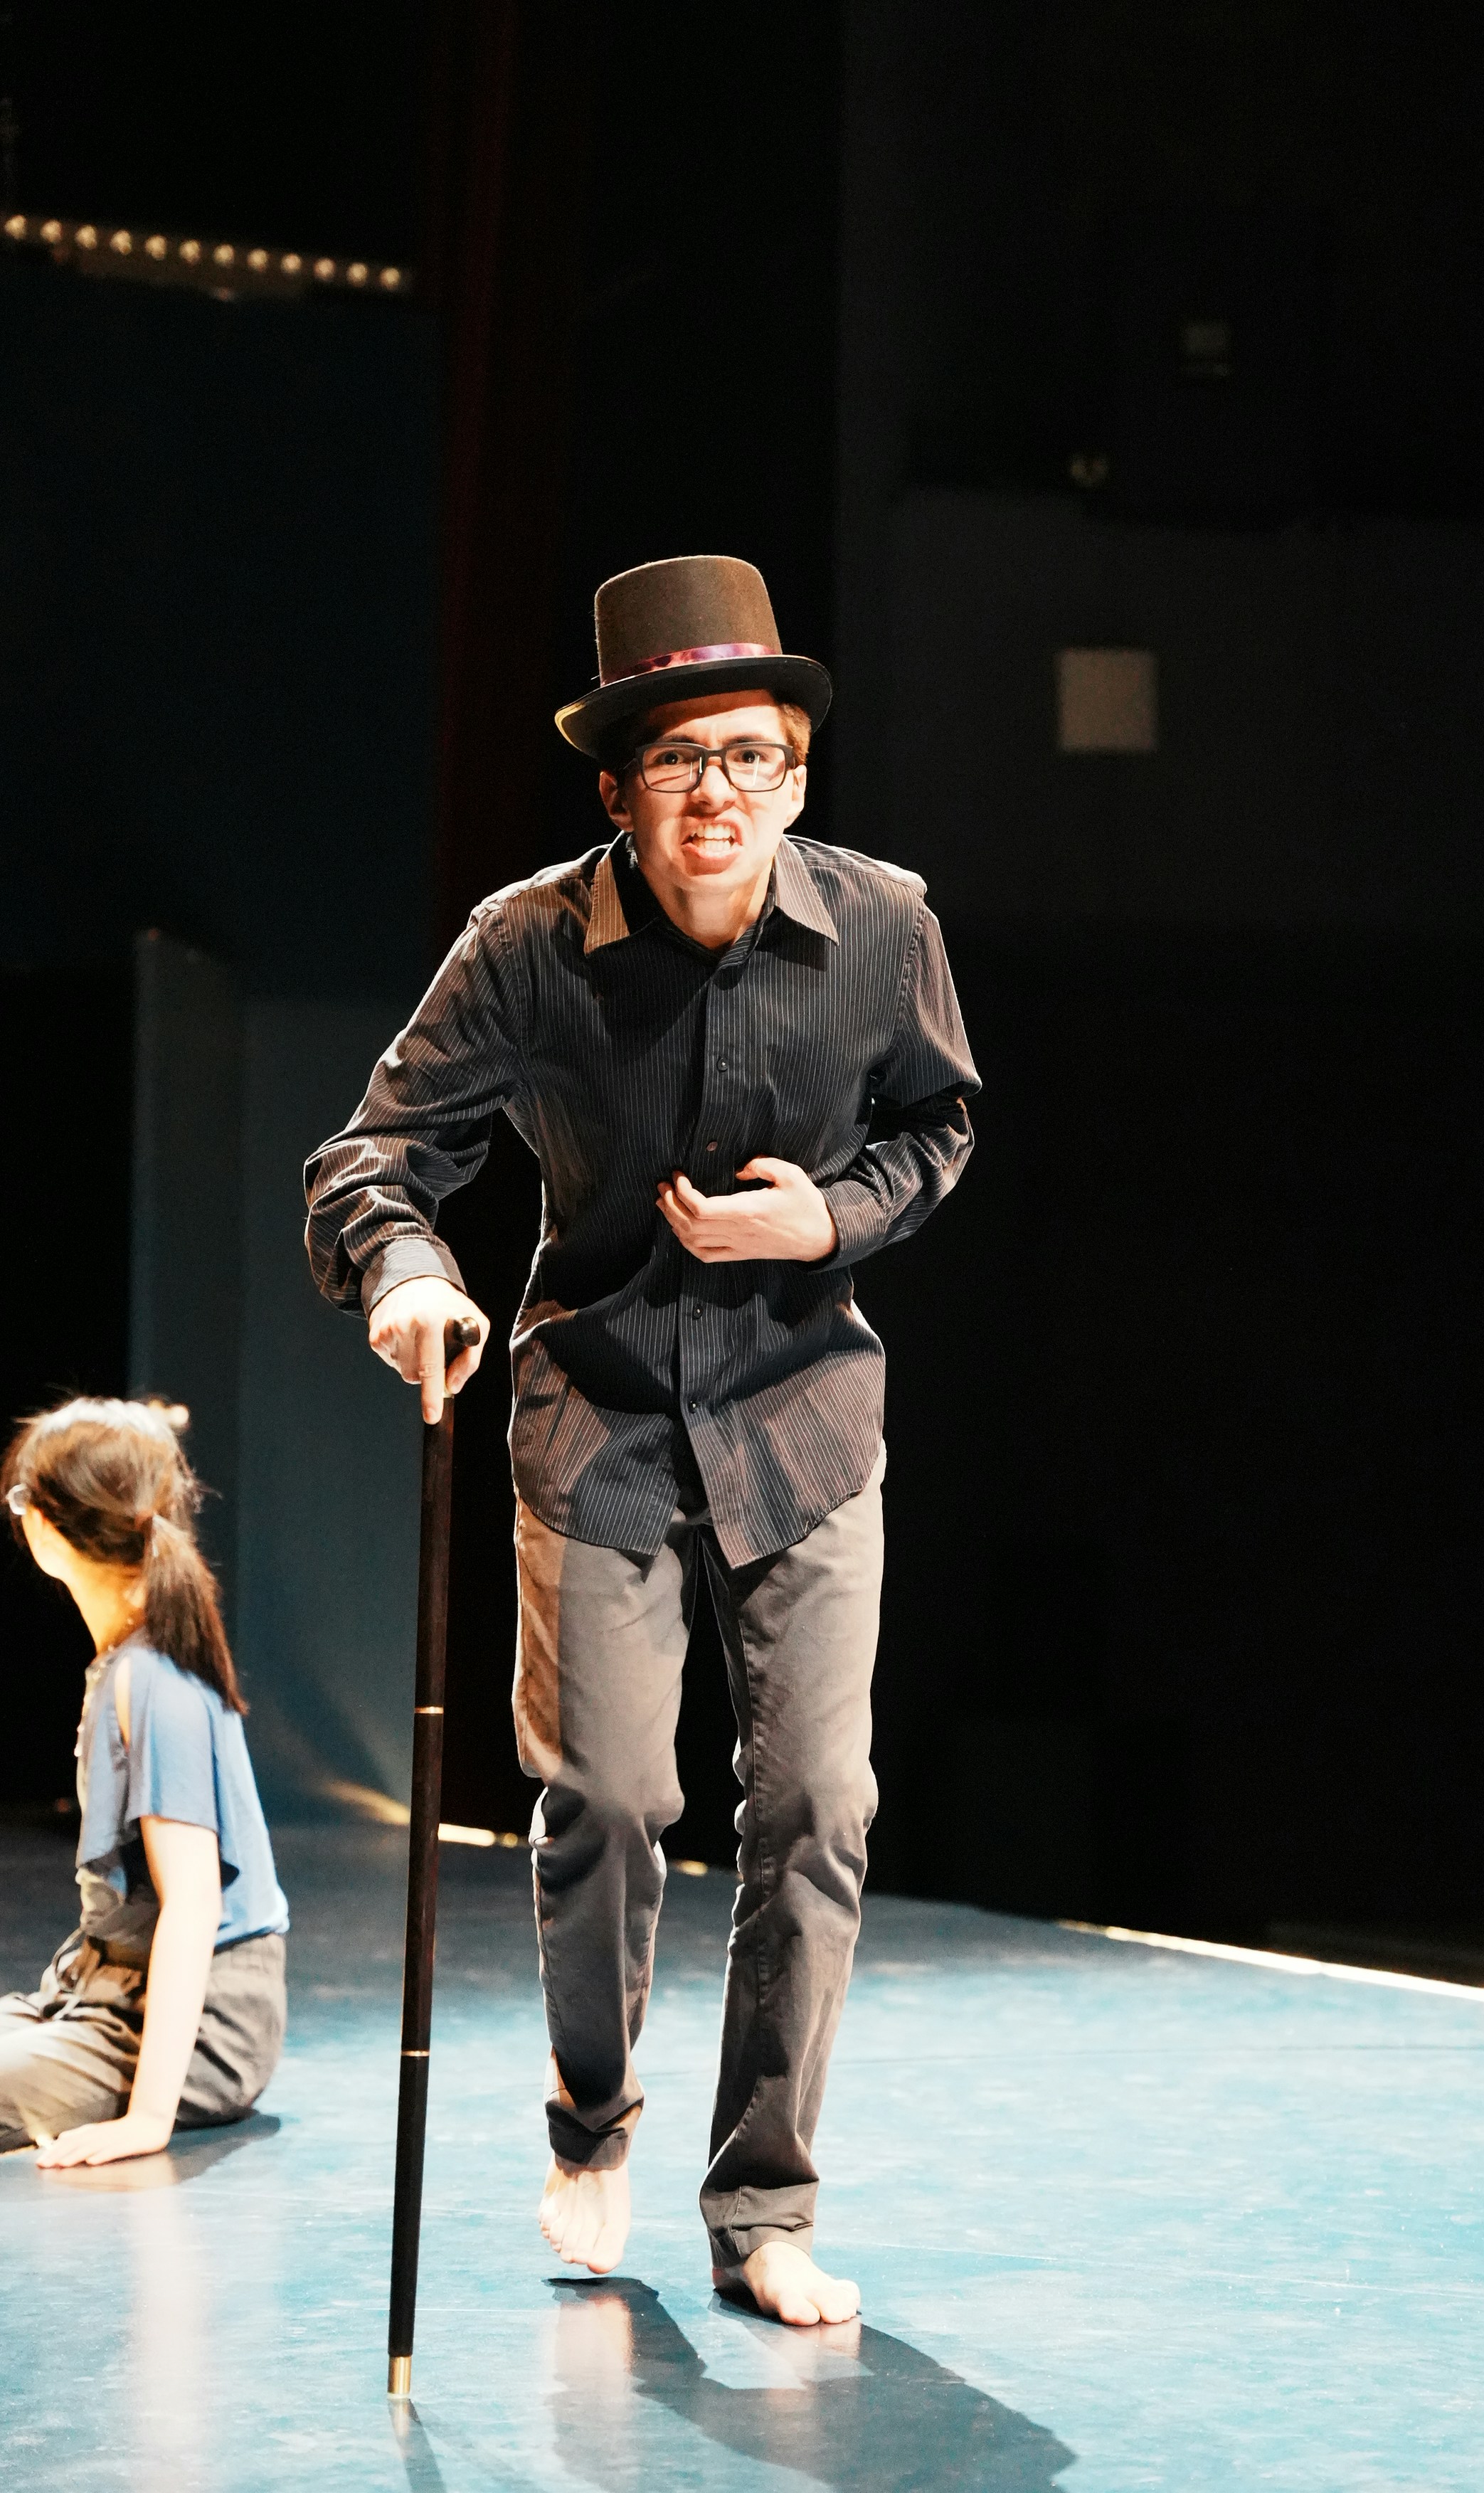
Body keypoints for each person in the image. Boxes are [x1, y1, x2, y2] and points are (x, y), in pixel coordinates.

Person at [304, 554, 978, 2324]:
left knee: (818, 1803)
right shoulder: (525, 947)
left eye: (750, 758)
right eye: (678, 762)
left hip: (803, 1413)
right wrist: (404, 1273)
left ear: (797, 775)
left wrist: (823, 1222)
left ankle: (761, 2203)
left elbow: (937, 1128)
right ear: (616, 791)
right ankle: (592, 2109)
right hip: (597, 1402)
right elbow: (372, 1157)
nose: (716, 797)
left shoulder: (885, 929)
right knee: (608, 1796)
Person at [0, 1397, 288, 2164]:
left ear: (51, 1529)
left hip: (200, 2026)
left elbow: (194, 1903)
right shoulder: (129, 1660)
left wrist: (146, 2121)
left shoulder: (152, 1680)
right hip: (108, 1992)